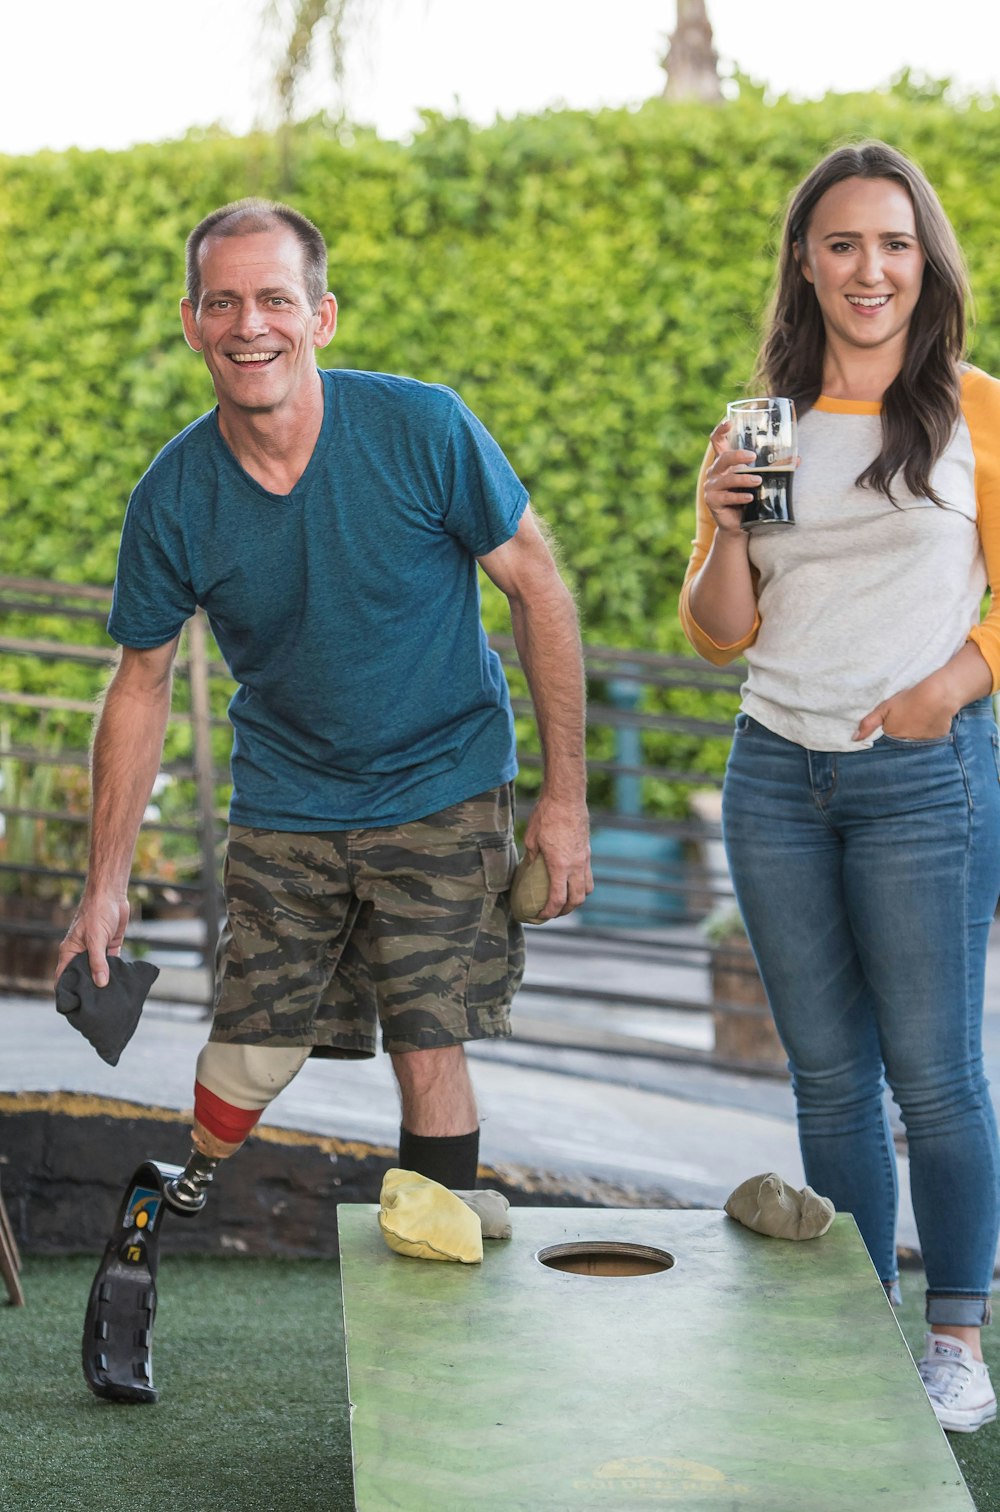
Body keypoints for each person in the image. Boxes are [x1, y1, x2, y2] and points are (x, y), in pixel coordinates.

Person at [57, 197, 592, 1400]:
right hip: (289, 796)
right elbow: (140, 686)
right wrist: (103, 889)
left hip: (444, 779)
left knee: (428, 1033)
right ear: (195, 323)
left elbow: (538, 587)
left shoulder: (420, 428)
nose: (253, 324)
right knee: (251, 1058)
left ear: (321, 315)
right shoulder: (175, 495)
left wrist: (565, 801)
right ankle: (164, 1202)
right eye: (225, 302)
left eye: (276, 298)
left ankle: (441, 1344)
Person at [680, 141, 1000, 1434]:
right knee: (826, 1075)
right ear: (805, 265)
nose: (870, 269)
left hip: (925, 777)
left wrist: (955, 686)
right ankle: (861, 1323)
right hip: (774, 777)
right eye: (842, 244)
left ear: (925, 261)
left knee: (935, 1074)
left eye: (894, 243)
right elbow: (719, 630)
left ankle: (959, 1338)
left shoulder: (978, 408)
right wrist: (715, 526)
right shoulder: (758, 425)